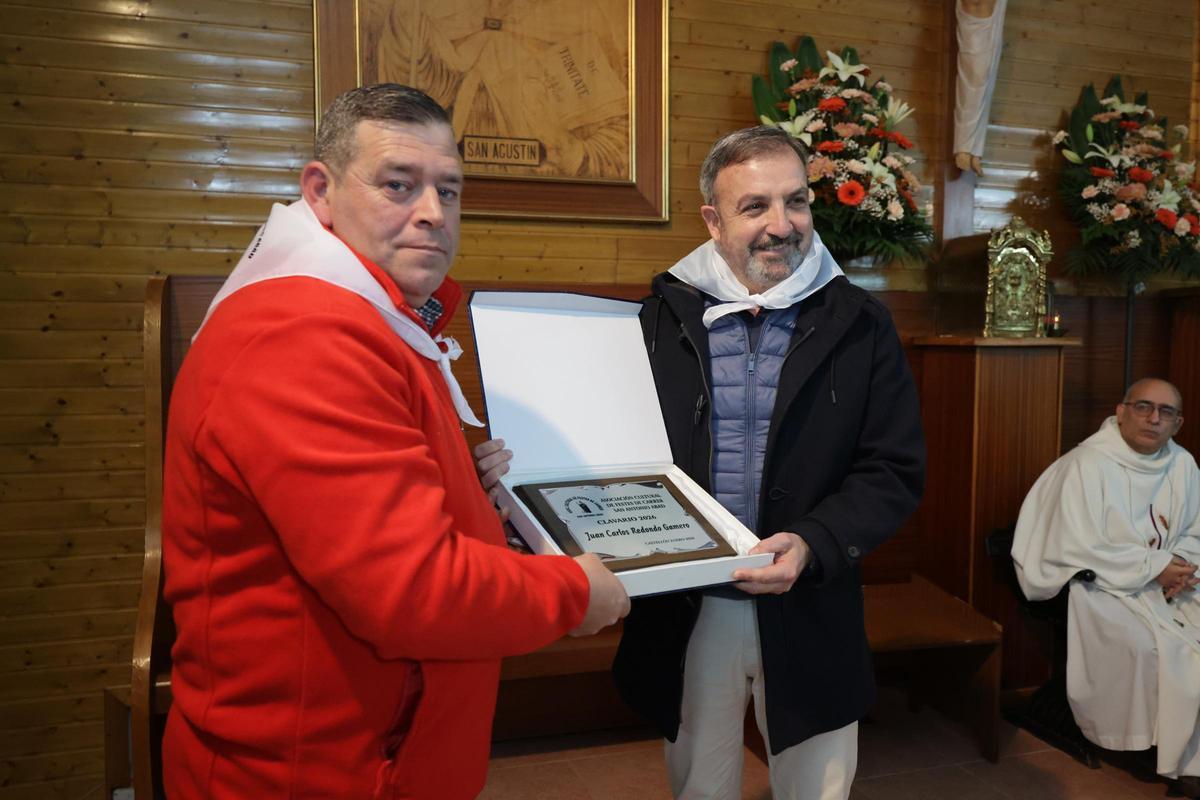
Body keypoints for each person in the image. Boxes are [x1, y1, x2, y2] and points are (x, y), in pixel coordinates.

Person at [160, 83, 629, 799]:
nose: (433, 214)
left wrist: (465, 490)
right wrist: (574, 592)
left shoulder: (366, 313)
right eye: (398, 185)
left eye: (449, 190)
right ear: (320, 190)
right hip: (319, 768)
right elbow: (411, 589)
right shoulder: (306, 335)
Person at [478, 125, 926, 799]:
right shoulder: (655, 321)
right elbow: (604, 449)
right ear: (713, 220)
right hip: (689, 605)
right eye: (755, 207)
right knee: (700, 787)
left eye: (796, 202)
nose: (783, 225)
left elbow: (893, 466)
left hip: (811, 599)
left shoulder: (861, 324)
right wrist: (520, 472)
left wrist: (813, 541)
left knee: (819, 788)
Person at [1012, 378, 1200, 793]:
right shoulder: (1087, 465)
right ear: (1120, 411)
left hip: (1165, 577)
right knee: (1149, 645)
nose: (1153, 419)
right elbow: (1076, 543)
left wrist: (1181, 565)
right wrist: (1154, 567)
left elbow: (1193, 528)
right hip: (1098, 580)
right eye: (1143, 407)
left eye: (1165, 412)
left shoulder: (1182, 464)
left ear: (1179, 423)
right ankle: (1166, 753)